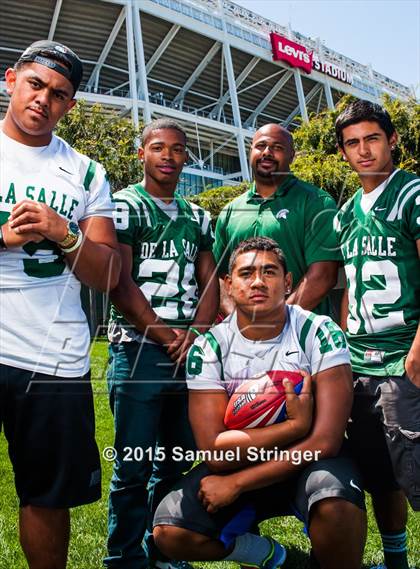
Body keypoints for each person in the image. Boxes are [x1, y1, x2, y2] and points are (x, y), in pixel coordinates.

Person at [152, 237, 367, 569]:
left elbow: (326, 441)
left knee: (335, 501)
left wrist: (236, 484)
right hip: (246, 460)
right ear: (228, 284)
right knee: (170, 530)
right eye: (246, 273)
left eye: (269, 272)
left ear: (288, 282)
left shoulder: (317, 331)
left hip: (309, 462)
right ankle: (276, 558)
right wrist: (294, 426)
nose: (257, 282)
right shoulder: (210, 347)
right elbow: (214, 451)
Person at [0, 41, 120, 569]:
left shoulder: (87, 172)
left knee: (47, 496)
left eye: (59, 94)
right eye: (35, 85)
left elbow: (110, 272)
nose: (44, 100)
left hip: (52, 357)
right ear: (10, 80)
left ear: (70, 105)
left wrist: (64, 233)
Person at [105, 118, 219, 569]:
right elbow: (119, 281)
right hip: (138, 347)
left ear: (186, 157)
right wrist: (162, 331)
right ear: (142, 154)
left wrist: (196, 331)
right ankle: (123, 557)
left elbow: (209, 281)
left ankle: (162, 551)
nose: (168, 156)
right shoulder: (123, 205)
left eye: (176, 149)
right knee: (132, 464)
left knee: (174, 461)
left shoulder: (198, 216)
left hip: (188, 351)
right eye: (158, 147)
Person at [334, 100, 420, 569]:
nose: (363, 150)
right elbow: (350, 284)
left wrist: (418, 354)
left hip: (404, 359)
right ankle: (396, 561)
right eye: (353, 143)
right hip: (361, 364)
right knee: (382, 478)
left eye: (372, 138)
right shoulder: (346, 212)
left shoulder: (413, 194)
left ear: (392, 141)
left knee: (416, 474)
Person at [213, 123, 341, 317]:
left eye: (277, 148)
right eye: (260, 146)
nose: (267, 152)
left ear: (292, 155)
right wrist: (238, 321)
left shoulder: (316, 201)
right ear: (250, 151)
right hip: (244, 339)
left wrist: (278, 322)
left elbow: (323, 275)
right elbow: (217, 276)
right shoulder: (230, 211)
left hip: (303, 337)